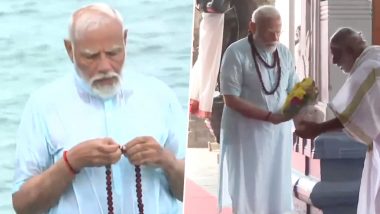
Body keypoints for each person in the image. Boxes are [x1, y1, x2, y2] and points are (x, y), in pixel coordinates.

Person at [12, 3, 186, 214]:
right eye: (91, 56)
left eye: (113, 53)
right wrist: (71, 163)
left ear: (125, 40)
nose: (104, 66)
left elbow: (188, 193)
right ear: (70, 50)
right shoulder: (43, 105)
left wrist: (166, 161)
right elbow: (23, 206)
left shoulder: (160, 96)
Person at [217, 5, 299, 214]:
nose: (275, 36)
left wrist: (303, 103)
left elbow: (293, 89)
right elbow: (231, 99)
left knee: (277, 184)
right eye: (269, 31)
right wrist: (269, 116)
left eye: (278, 31)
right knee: (249, 186)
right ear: (252, 26)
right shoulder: (236, 52)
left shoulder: (284, 53)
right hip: (246, 134)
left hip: (279, 133)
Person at [295, 27, 380, 214]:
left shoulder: (368, 69)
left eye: (336, 54)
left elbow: (354, 115)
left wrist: (318, 129)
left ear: (350, 50)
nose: (333, 61)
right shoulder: (376, 55)